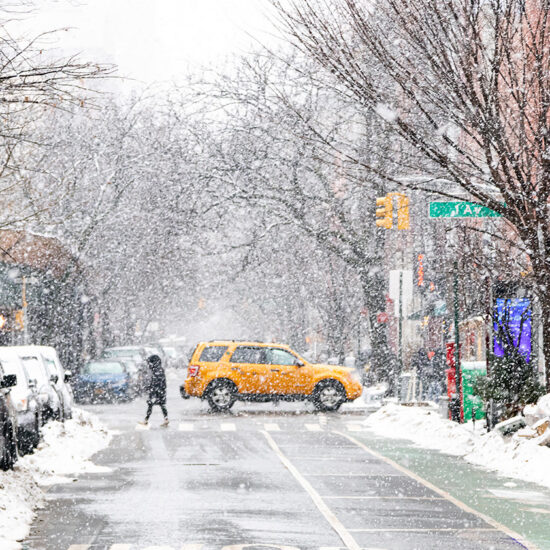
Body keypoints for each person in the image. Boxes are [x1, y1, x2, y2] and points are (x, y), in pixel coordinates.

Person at [139, 354, 169, 427]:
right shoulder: (159, 369)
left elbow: (156, 382)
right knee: (161, 405)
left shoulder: (157, 370)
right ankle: (166, 419)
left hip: (156, 391)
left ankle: (146, 420)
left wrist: (150, 388)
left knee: (151, 405)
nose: (149, 365)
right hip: (160, 390)